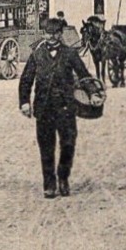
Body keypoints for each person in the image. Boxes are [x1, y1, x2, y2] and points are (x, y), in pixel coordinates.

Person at [18, 16, 92, 199]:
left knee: (68, 144)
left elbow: (84, 76)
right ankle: (49, 184)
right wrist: (24, 102)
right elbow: (26, 80)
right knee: (46, 147)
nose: (51, 36)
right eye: (48, 33)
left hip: (66, 108)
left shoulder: (70, 54)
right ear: (44, 34)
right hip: (44, 109)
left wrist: (94, 92)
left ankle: (63, 178)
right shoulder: (36, 54)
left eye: (55, 33)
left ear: (60, 34)